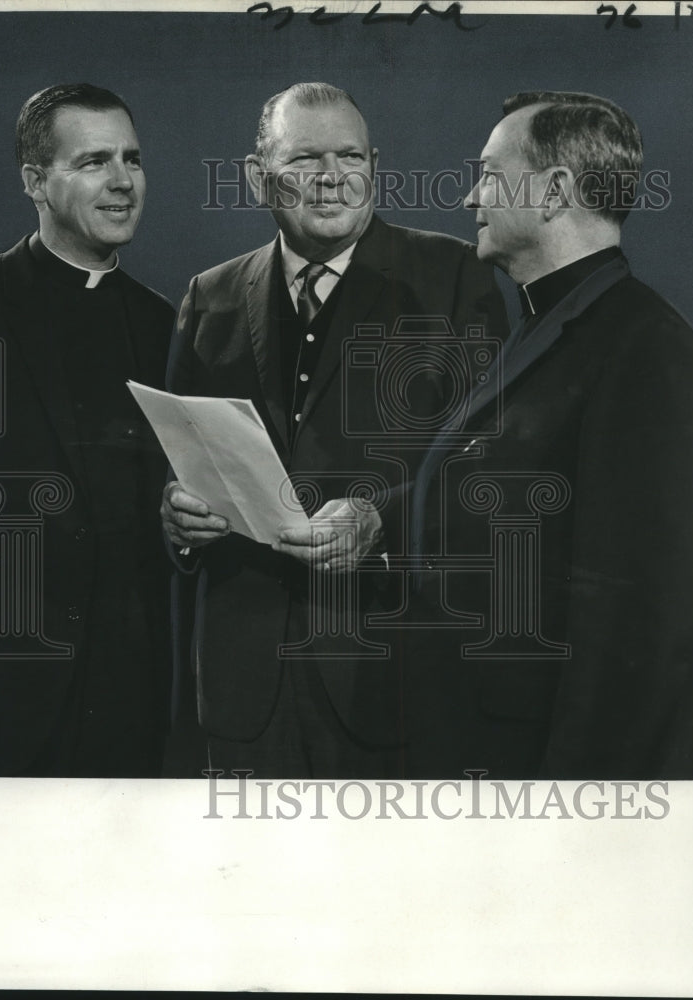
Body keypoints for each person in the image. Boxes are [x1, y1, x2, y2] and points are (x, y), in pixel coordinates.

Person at [161, 81, 508, 779]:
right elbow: (174, 464)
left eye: (350, 156)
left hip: (390, 666)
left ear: (374, 164)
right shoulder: (210, 295)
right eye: (304, 160)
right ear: (260, 177)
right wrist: (175, 515)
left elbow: (493, 461)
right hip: (241, 678)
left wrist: (381, 522)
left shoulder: (452, 276)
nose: (331, 179)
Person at [407, 91, 693, 779]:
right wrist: (373, 514)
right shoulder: (555, 325)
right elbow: (510, 488)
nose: (471, 195)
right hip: (480, 742)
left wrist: (572, 809)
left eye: (488, 173)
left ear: (555, 191)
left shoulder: (646, 349)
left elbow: (633, 617)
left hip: (544, 772)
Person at [0, 83, 175, 777]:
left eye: (132, 158)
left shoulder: (170, 325)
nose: (123, 181)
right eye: (95, 161)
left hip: (132, 700)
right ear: (35, 181)